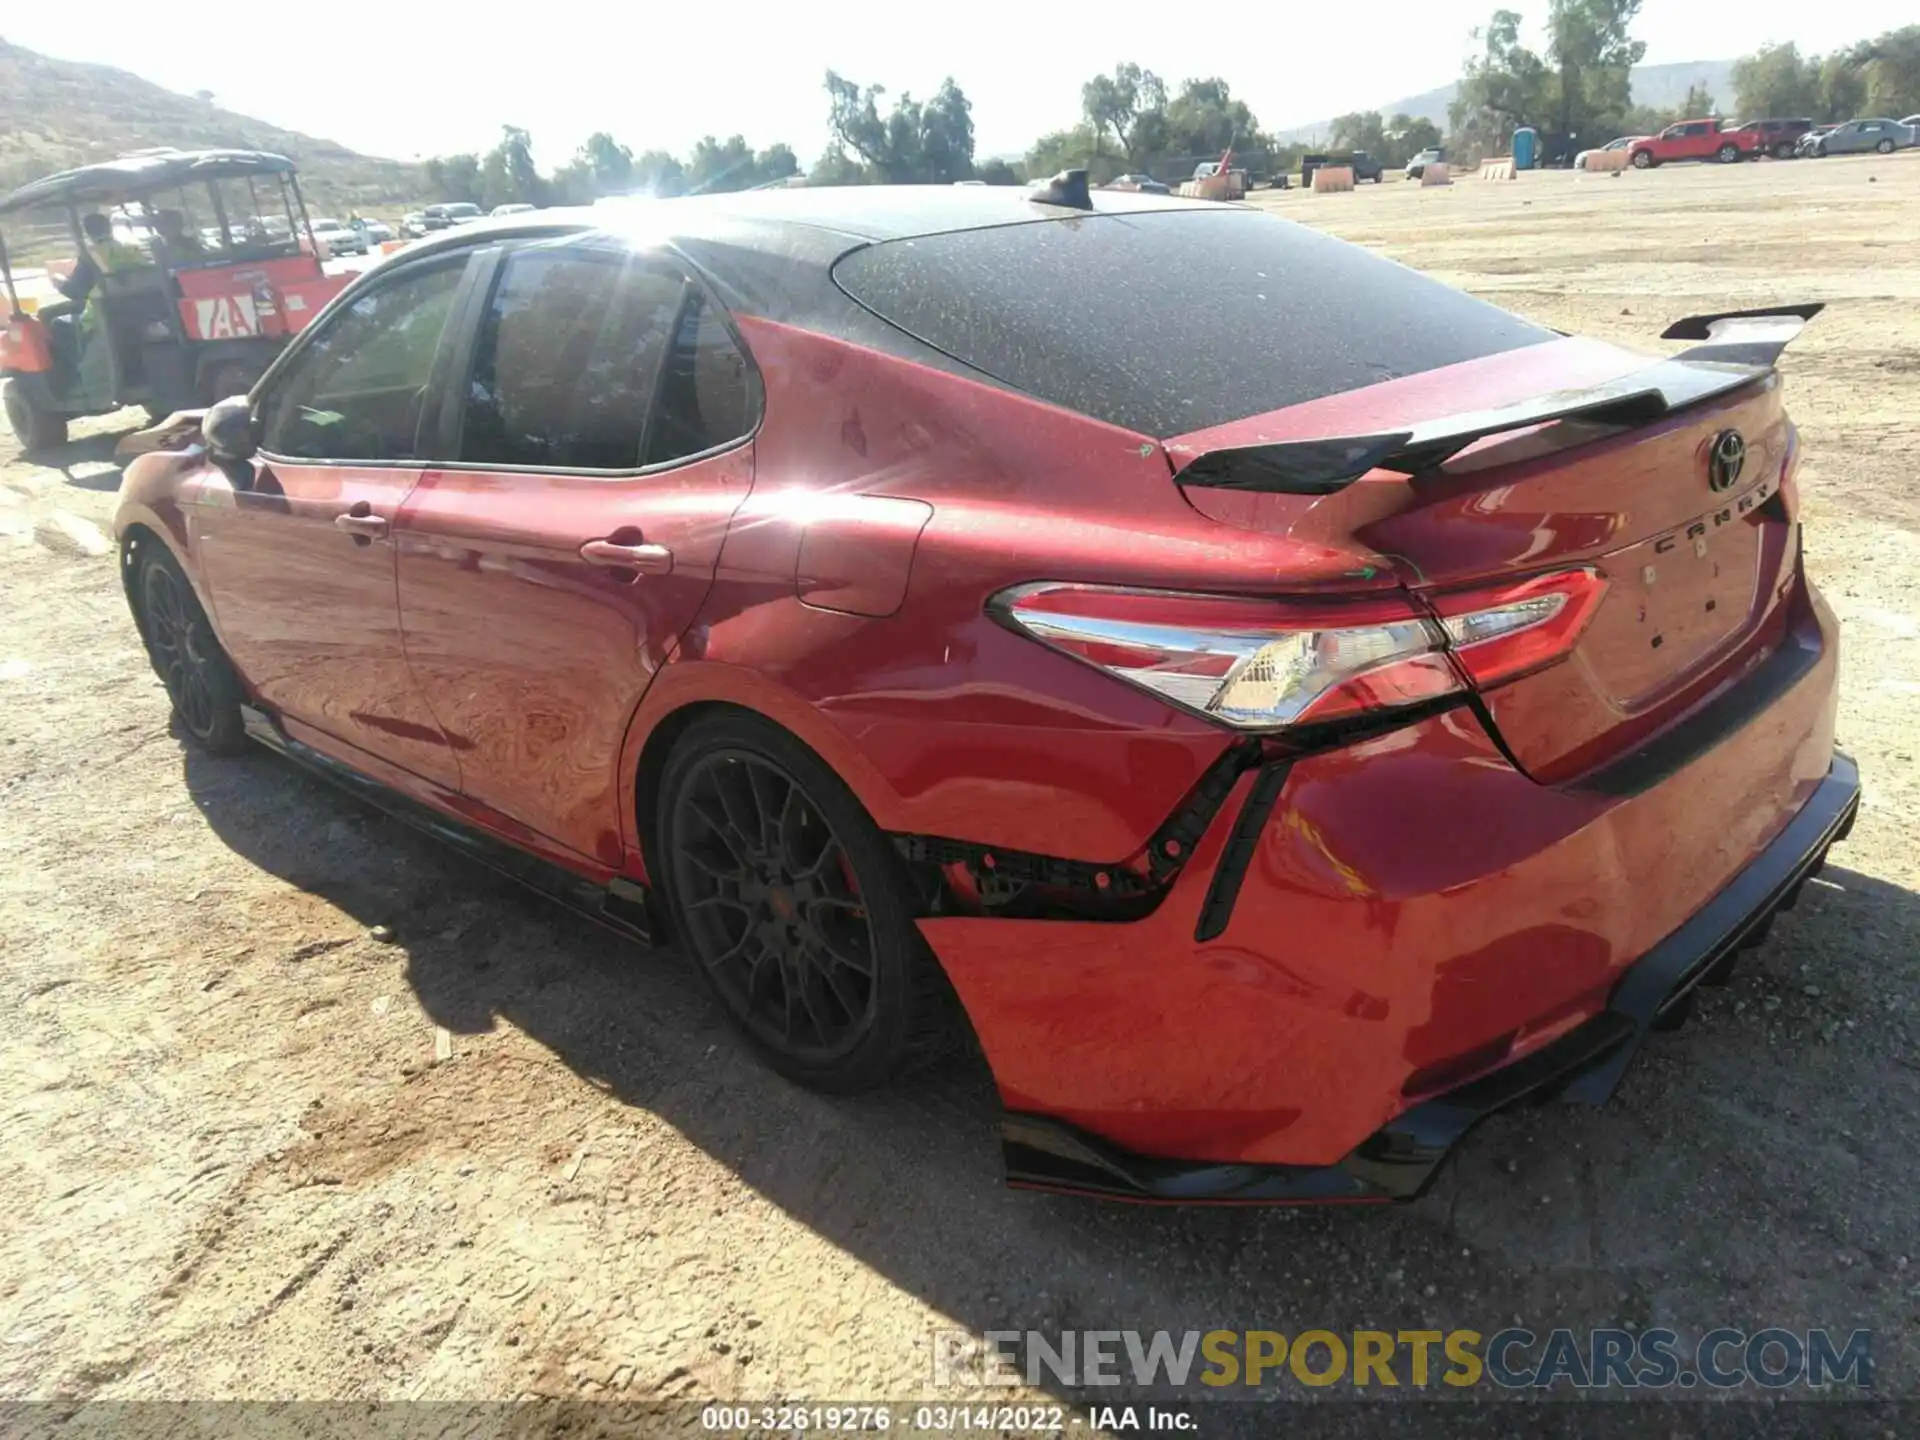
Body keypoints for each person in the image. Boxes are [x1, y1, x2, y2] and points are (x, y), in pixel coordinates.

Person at [56, 213, 148, 405]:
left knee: (58, 324)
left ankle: (78, 379)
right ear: (109, 228)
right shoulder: (131, 250)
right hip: (141, 310)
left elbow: (76, 290)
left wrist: (58, 283)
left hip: (103, 314)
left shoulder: (92, 255)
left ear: (88, 232)